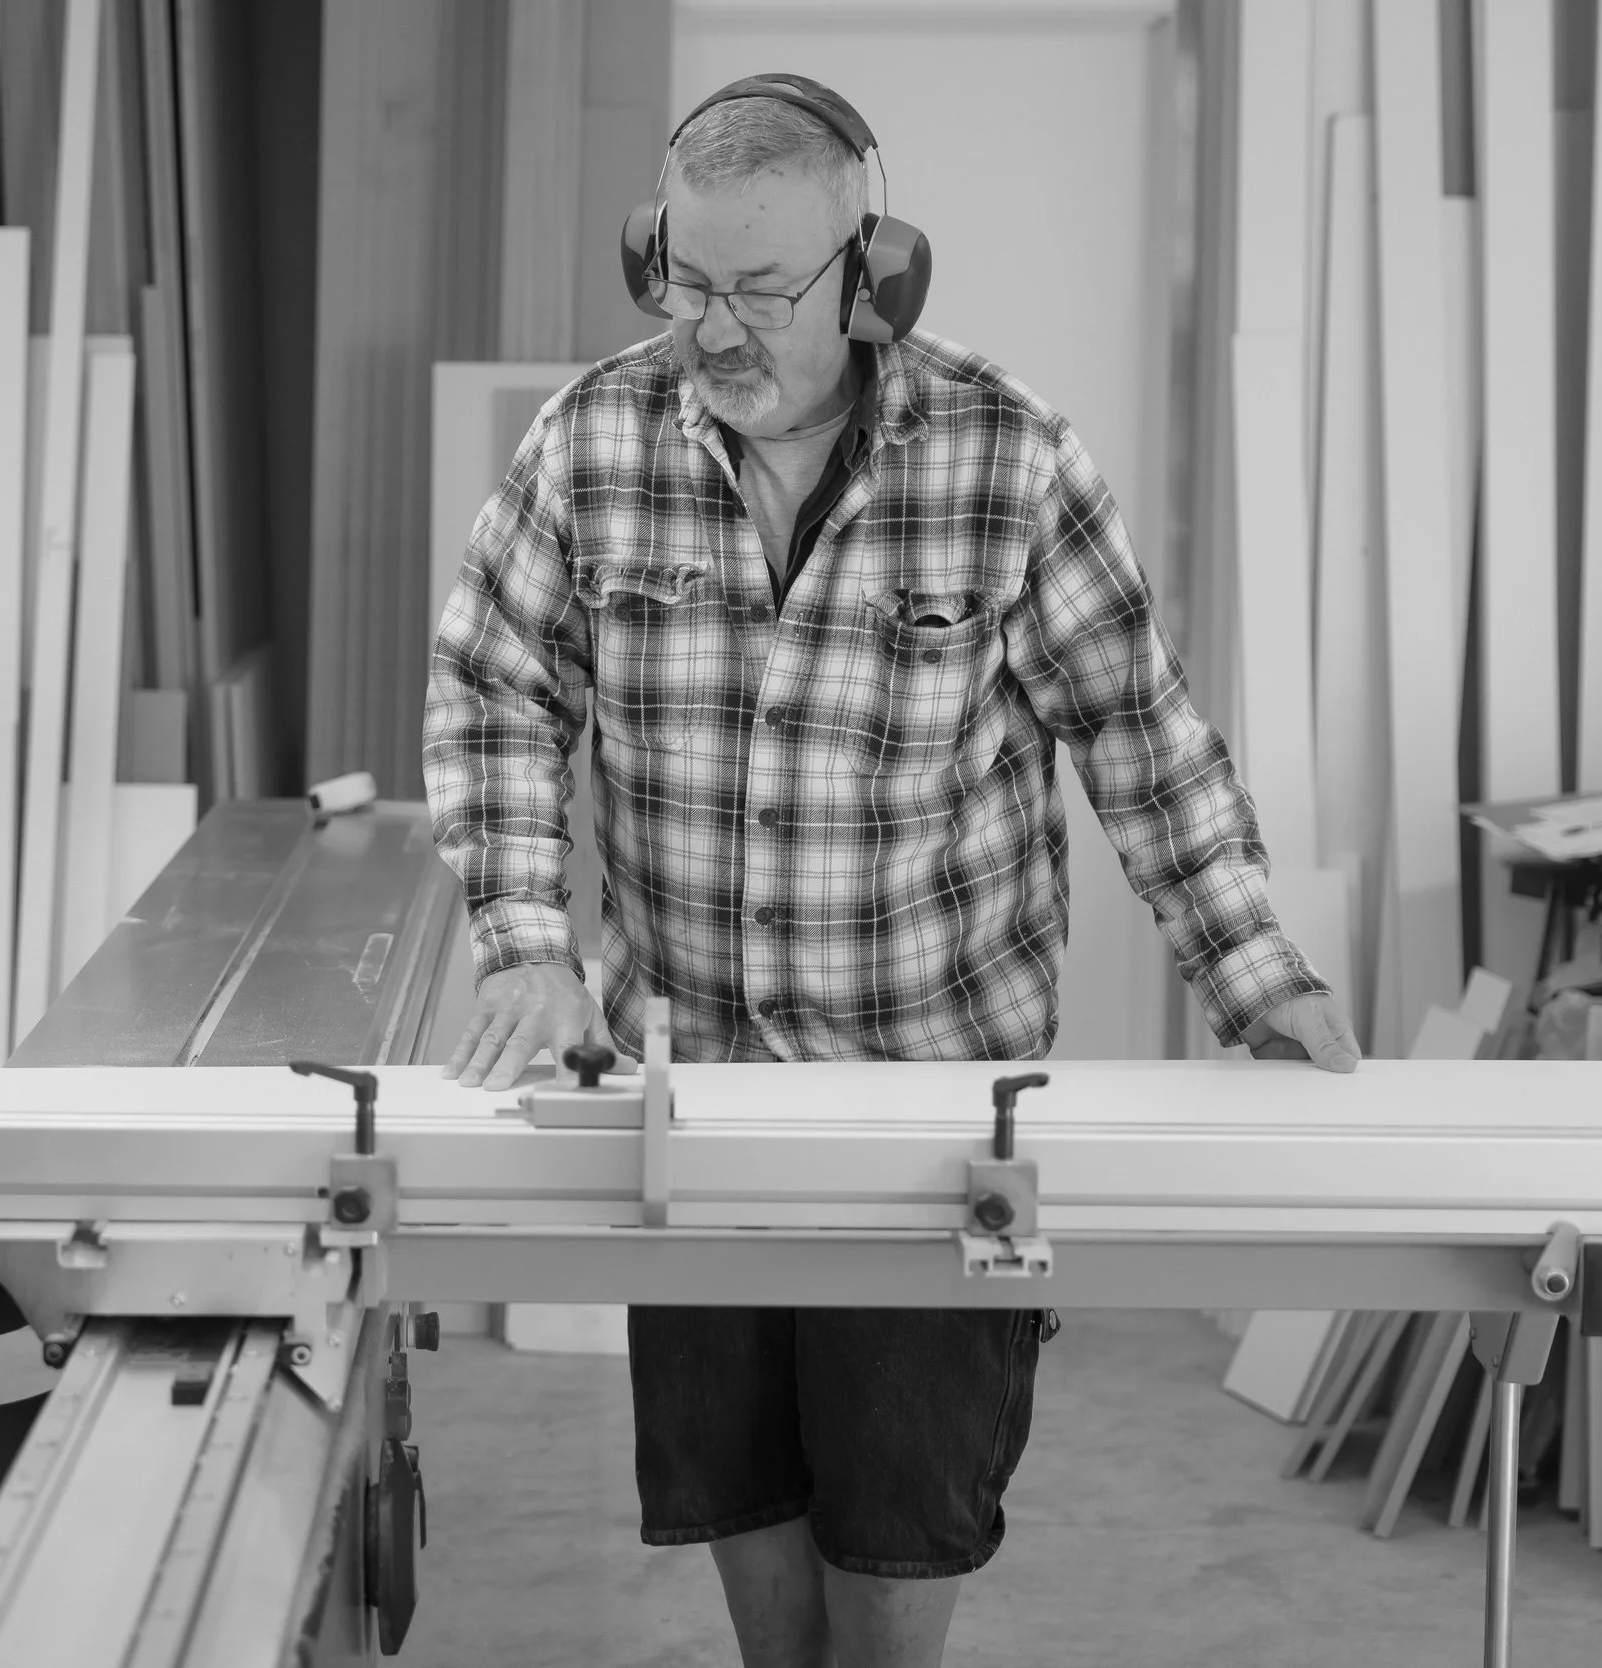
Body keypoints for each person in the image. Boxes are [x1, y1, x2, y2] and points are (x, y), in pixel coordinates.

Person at [421, 74, 1360, 1668]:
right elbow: (497, 682)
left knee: (892, 1572)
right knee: (760, 1578)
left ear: (875, 274)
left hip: (933, 1125)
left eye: (764, 291)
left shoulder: (1004, 462)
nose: (715, 332)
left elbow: (1143, 739)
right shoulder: (593, 440)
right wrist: (524, 933)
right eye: (686, 281)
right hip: (694, 1111)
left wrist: (1257, 978)